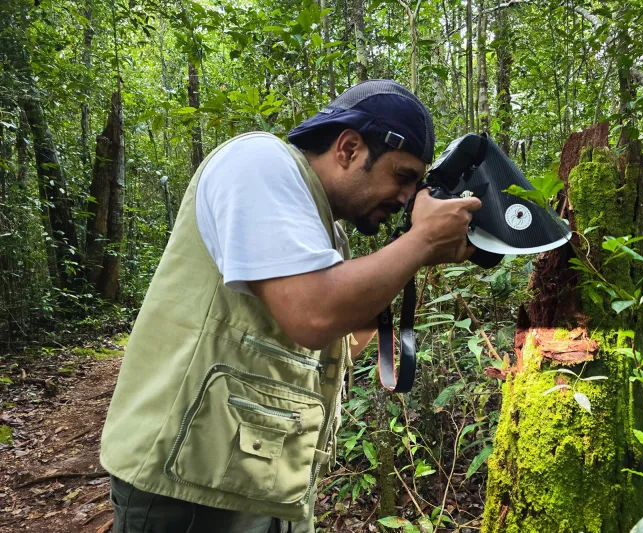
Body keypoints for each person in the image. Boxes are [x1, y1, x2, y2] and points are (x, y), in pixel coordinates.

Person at [99, 79, 481, 533]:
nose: (405, 197)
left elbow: (341, 337)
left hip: (255, 479)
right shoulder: (260, 162)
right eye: (402, 176)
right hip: (184, 483)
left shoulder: (322, 228)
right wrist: (420, 243)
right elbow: (314, 315)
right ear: (349, 148)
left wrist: (418, 249)